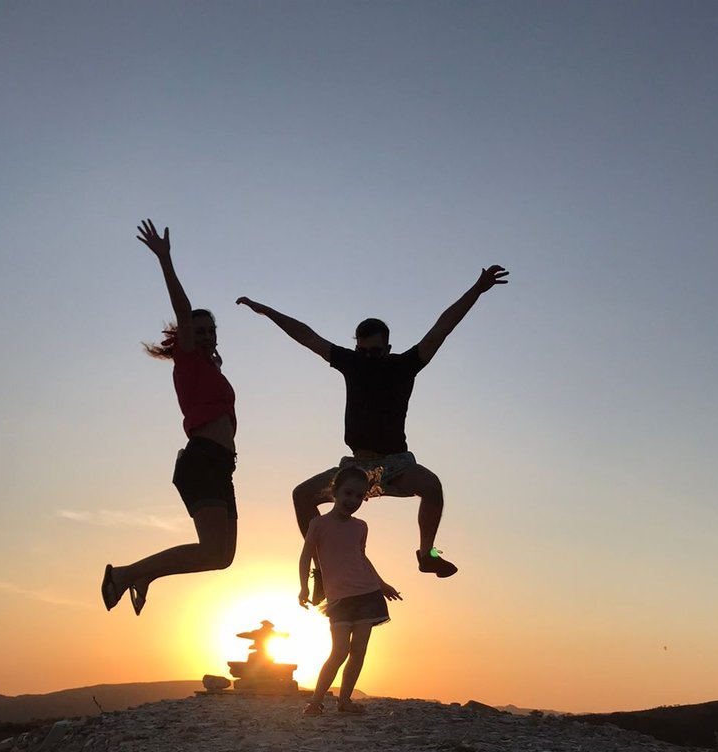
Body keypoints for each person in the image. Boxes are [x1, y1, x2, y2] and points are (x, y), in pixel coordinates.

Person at [237, 263, 507, 601]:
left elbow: (443, 327)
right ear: (357, 348)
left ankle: (427, 555)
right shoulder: (352, 363)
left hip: (396, 465)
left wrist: (477, 289)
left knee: (432, 486)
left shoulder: (405, 365)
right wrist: (267, 312)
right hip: (357, 467)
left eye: (375, 352)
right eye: (363, 351)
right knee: (301, 495)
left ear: (388, 349)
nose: (368, 358)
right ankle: (322, 570)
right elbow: (307, 336)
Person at [101, 220, 238, 615]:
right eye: (198, 330)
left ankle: (141, 575)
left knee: (222, 557)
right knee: (212, 549)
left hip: (221, 465)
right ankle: (126, 574)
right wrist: (165, 259)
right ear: (186, 336)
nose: (207, 336)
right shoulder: (188, 359)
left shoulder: (212, 370)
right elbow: (181, 307)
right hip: (203, 461)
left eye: (211, 330)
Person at [299, 464, 401, 715]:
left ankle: (344, 701)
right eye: (348, 493)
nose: (353, 500)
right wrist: (303, 588)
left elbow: (362, 558)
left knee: (359, 651)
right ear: (335, 492)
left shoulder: (360, 527)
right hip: (339, 599)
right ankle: (315, 702)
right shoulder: (318, 524)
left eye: (359, 496)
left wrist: (381, 583)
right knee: (339, 651)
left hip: (367, 594)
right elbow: (305, 557)